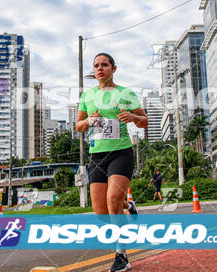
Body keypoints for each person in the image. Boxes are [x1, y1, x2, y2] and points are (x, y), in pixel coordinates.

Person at [76, 53, 148, 272]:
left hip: (121, 153)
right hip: (97, 156)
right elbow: (78, 125)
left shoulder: (125, 93)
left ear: (113, 68)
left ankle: (121, 255)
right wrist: (89, 120)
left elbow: (144, 121)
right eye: (96, 65)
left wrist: (132, 117)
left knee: (113, 201)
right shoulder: (87, 96)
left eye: (104, 65)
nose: (100, 68)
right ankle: (129, 206)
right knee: (101, 213)